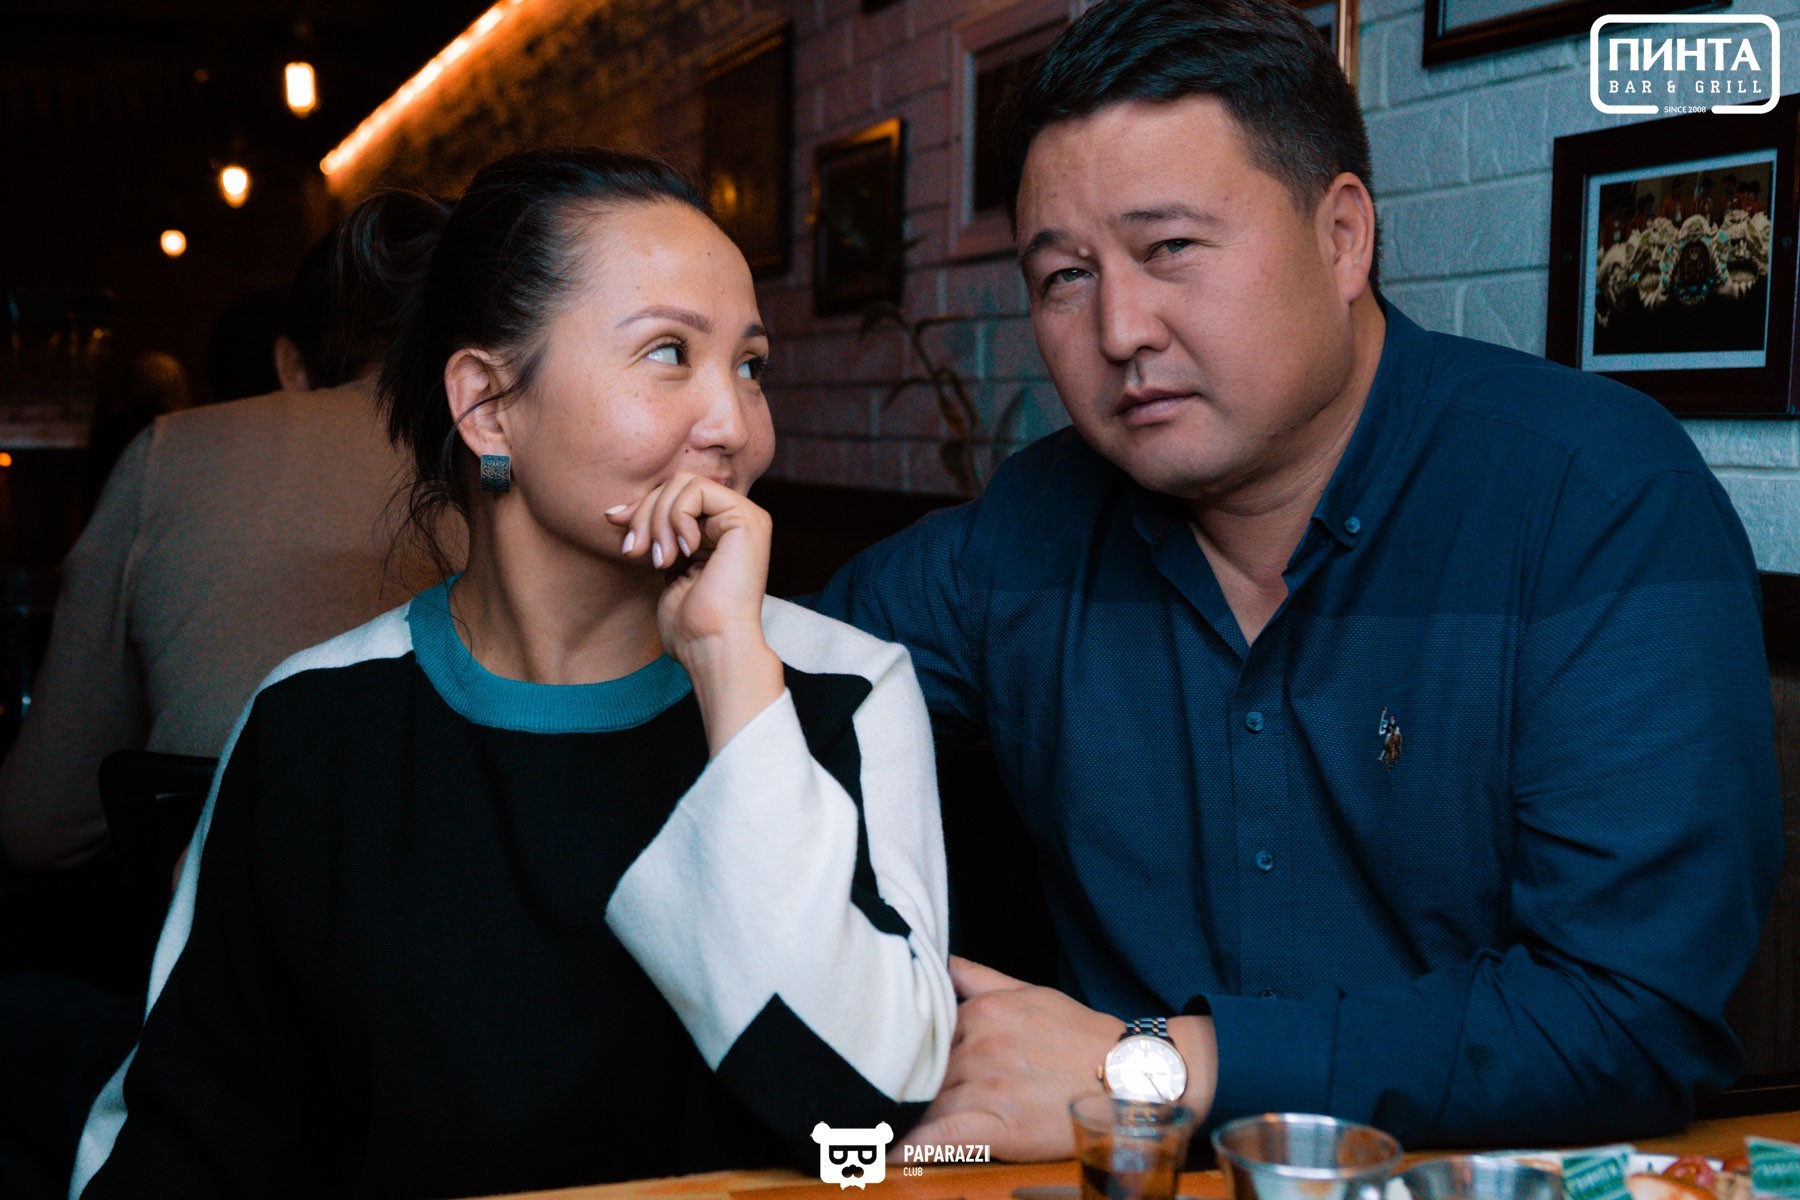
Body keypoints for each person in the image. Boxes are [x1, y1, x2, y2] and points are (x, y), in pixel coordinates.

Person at [809, 0, 1783, 1156]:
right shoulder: (1026, 533)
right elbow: (769, 693)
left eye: (1170, 249)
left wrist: (1157, 1067)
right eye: (1065, 275)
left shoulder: (1595, 499)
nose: (1119, 329)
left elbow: (1628, 1023)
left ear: (1342, 237)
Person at [71, 148, 954, 1198]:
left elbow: (859, 1112)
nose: (735, 426)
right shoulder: (314, 720)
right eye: (670, 353)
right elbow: (182, 1143)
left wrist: (730, 666)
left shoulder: (843, 689)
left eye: (751, 366)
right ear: (489, 407)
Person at [0, 219, 454, 876]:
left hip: (225, 906)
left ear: (288, 364)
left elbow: (37, 822)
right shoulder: (514, 471)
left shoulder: (169, 453)